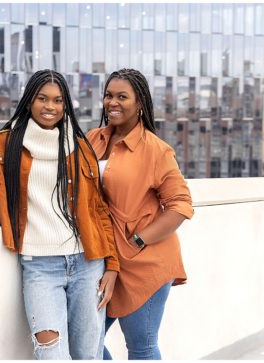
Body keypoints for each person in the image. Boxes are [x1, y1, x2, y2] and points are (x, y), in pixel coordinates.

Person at [0, 69, 118, 359]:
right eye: (42, 98)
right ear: (29, 101)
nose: (50, 107)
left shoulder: (79, 147)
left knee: (88, 355)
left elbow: (98, 209)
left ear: (65, 104)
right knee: (51, 353)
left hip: (87, 262)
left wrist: (112, 266)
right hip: (39, 266)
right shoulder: (4, 143)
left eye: (58, 100)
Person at [86, 69, 193, 360]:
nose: (113, 102)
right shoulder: (93, 139)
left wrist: (139, 240)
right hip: (102, 260)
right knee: (83, 340)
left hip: (144, 264)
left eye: (122, 96)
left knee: (142, 347)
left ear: (140, 103)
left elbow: (181, 204)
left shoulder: (157, 151)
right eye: (109, 95)